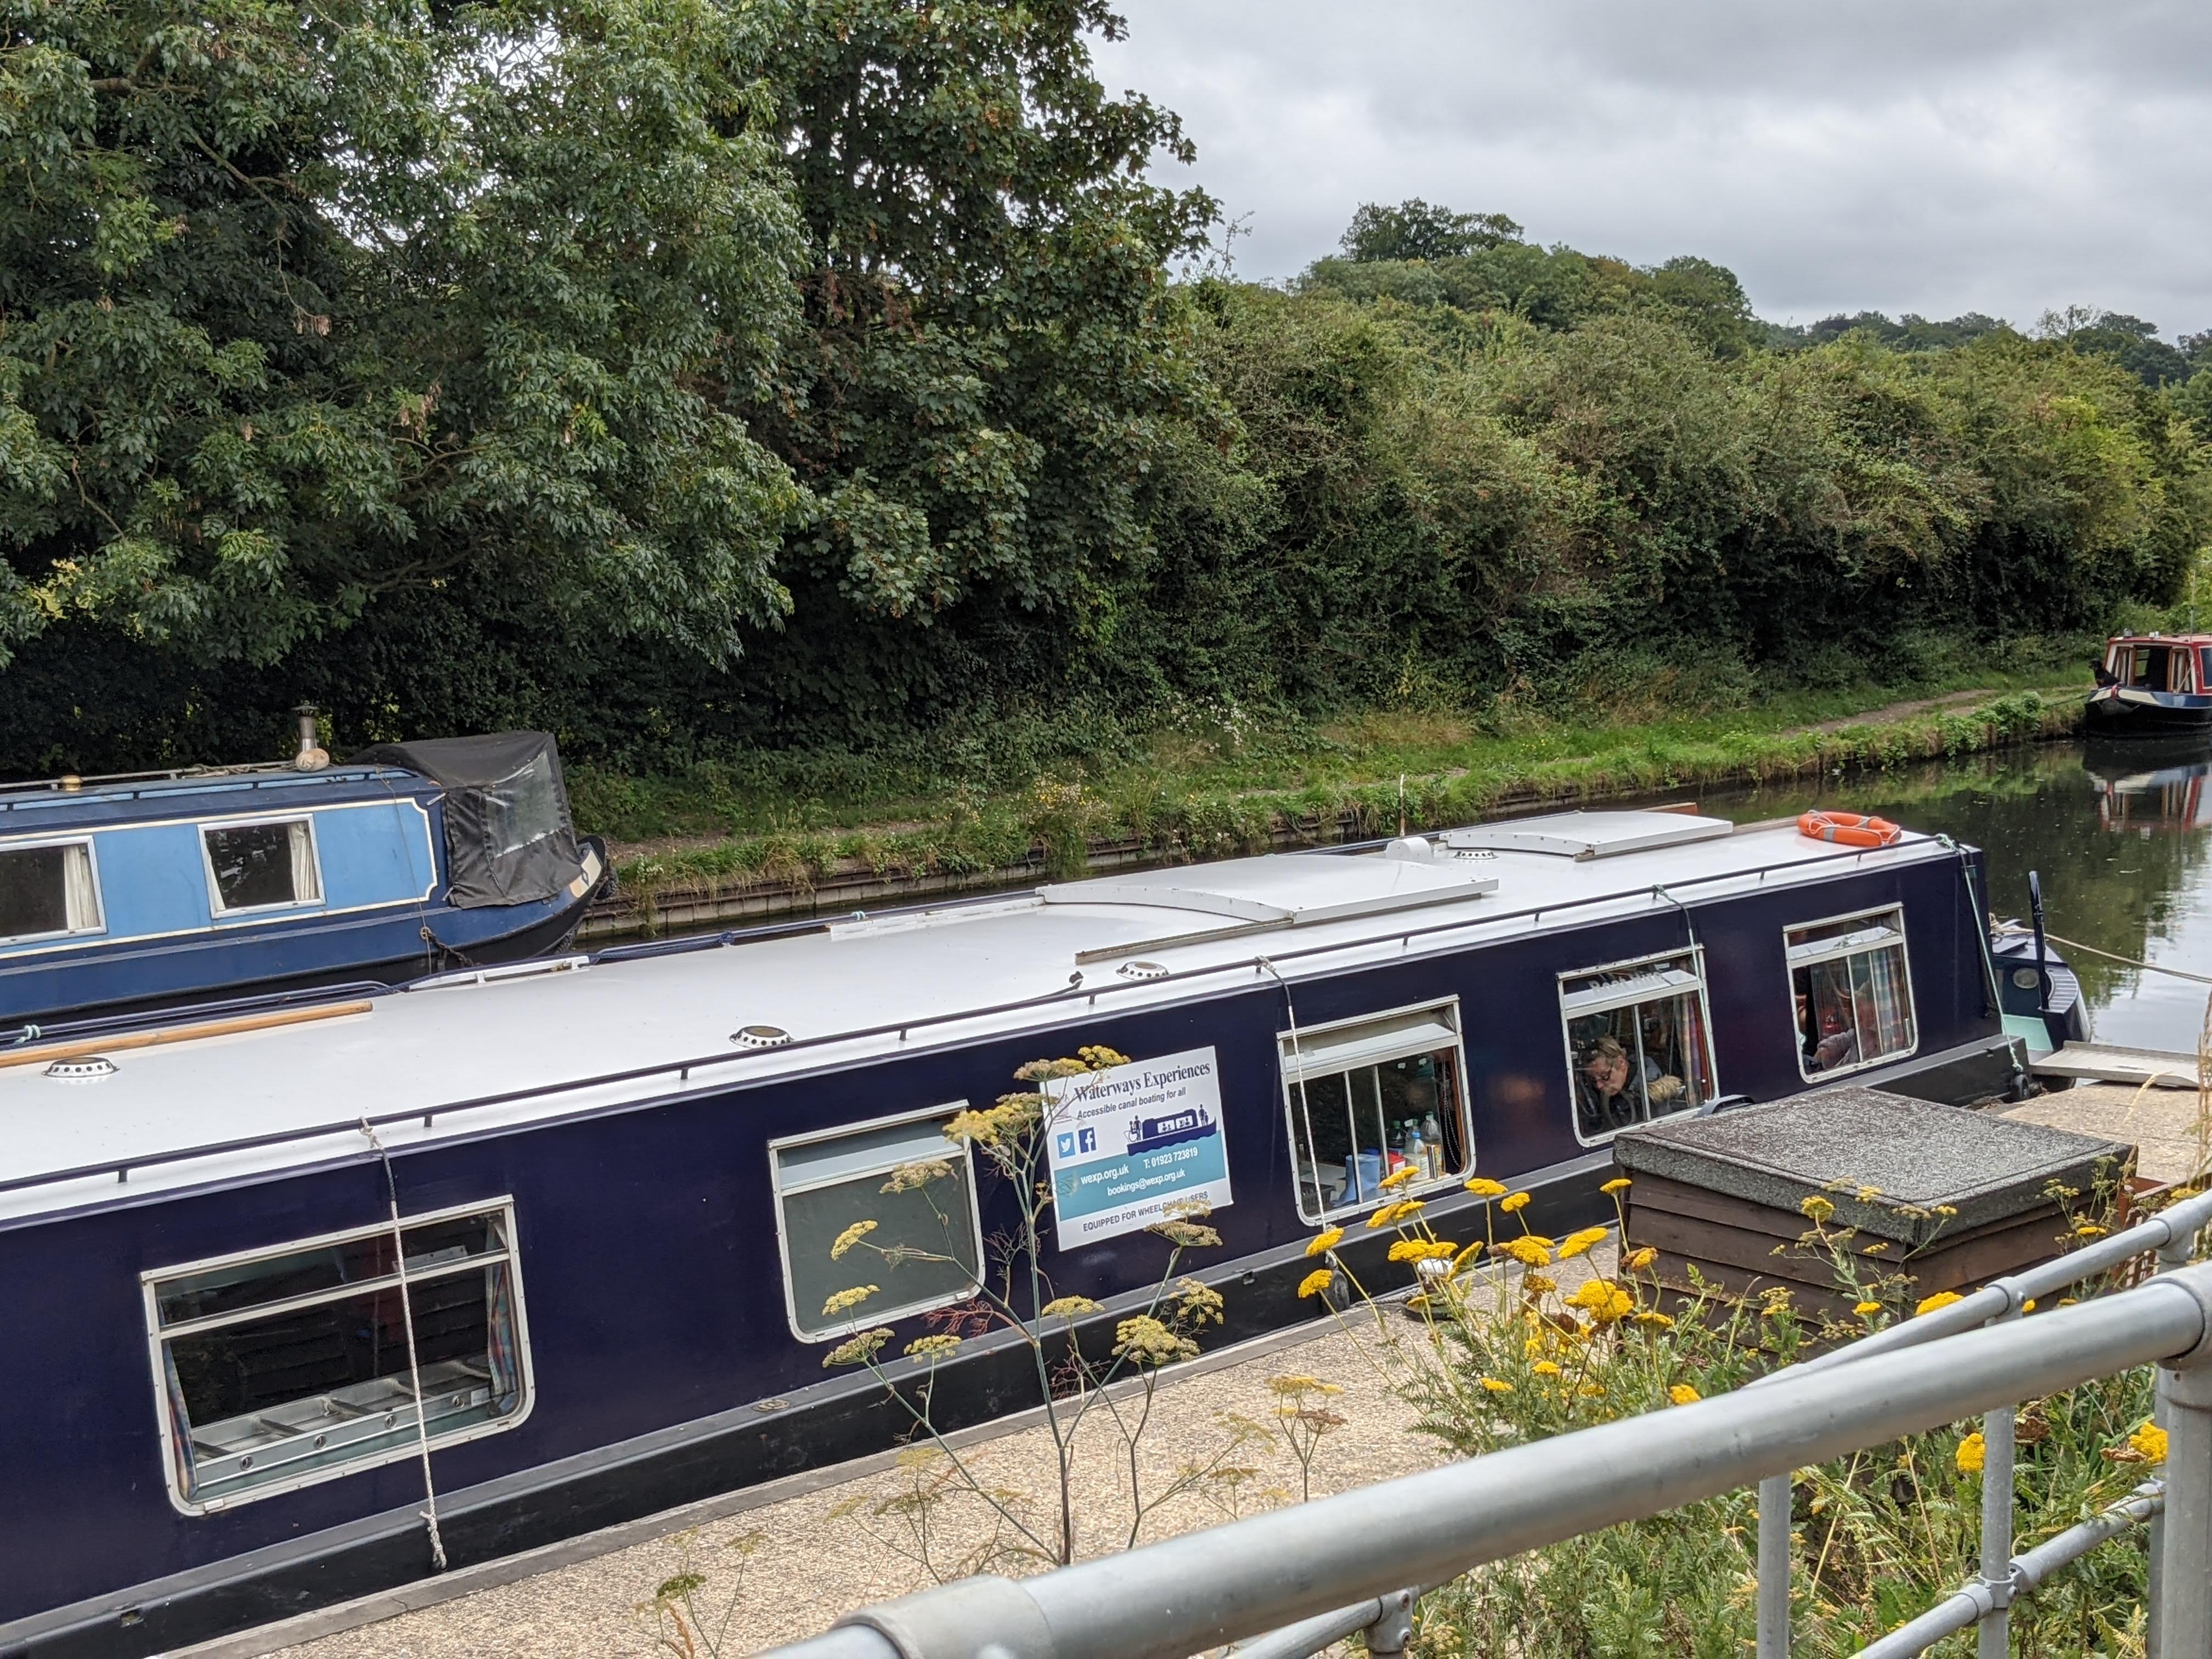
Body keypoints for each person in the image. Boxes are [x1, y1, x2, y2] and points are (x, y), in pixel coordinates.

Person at [1576, 1033, 1683, 1137]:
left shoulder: (1649, 1096)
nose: (1599, 1086)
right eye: (1594, 1080)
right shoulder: (1598, 1092)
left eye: (1605, 1077)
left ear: (1621, 1063)